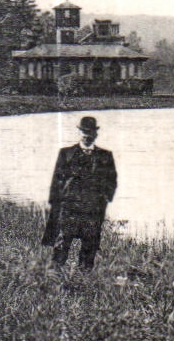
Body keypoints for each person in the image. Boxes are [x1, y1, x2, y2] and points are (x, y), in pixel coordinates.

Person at [41, 115, 117, 271]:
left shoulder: (105, 156)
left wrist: (104, 199)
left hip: (92, 210)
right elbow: (57, 181)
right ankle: (56, 276)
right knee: (62, 244)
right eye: (84, 131)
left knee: (90, 246)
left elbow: (112, 181)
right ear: (79, 132)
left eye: (90, 132)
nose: (87, 135)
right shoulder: (66, 154)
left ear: (95, 134)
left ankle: (84, 279)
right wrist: (56, 206)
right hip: (69, 208)